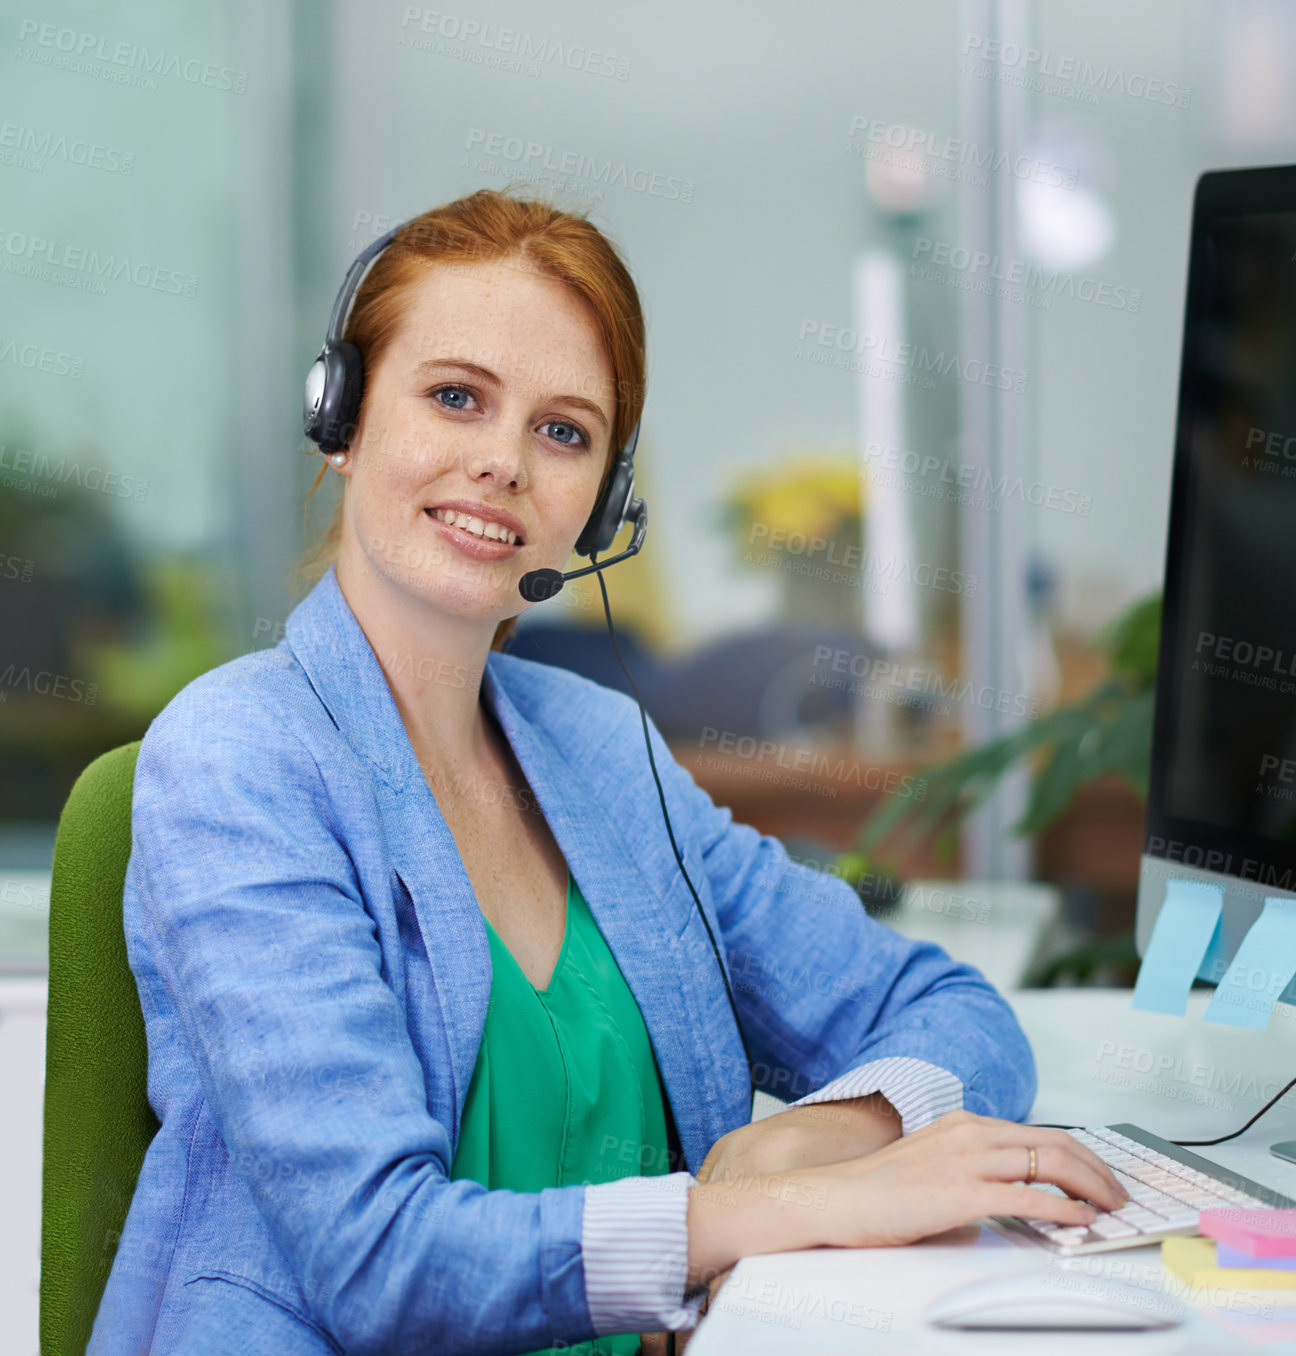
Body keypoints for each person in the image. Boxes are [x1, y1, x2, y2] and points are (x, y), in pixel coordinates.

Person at [91, 188, 1126, 1355]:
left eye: (564, 431)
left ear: (603, 504)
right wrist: (769, 1212)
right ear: (341, 415)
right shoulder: (241, 761)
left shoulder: (604, 754)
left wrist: (840, 1129)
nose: (503, 464)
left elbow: (956, 1013)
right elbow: (378, 1261)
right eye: (454, 397)